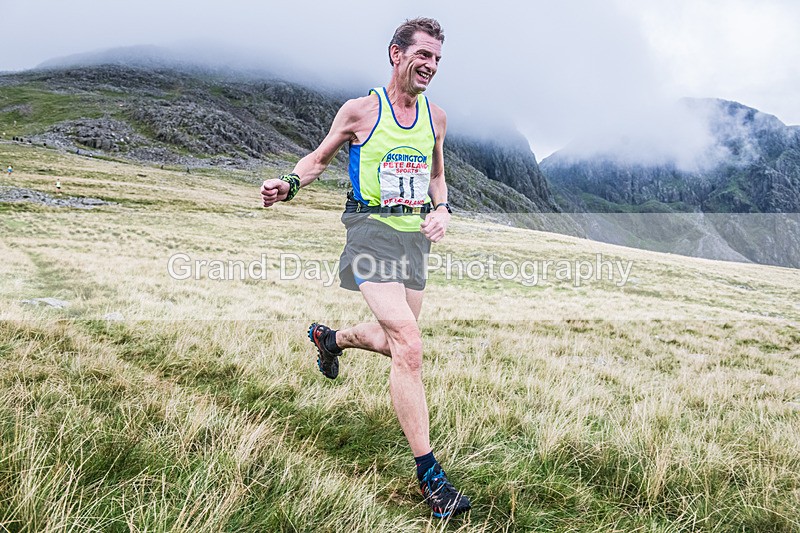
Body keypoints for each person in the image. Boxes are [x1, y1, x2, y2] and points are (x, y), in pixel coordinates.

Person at [260, 17, 470, 518]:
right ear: (396, 54)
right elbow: (318, 159)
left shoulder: (436, 118)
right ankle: (431, 477)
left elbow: (438, 178)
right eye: (424, 55)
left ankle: (329, 340)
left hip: (412, 240)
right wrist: (288, 183)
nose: (432, 66)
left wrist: (441, 209)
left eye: (439, 59)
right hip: (369, 233)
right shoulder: (360, 111)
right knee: (410, 347)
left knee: (393, 339)